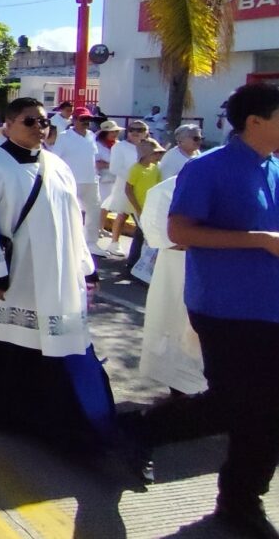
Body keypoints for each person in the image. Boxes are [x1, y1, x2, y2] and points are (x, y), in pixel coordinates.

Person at [126, 83, 279, 538]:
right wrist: (259, 241)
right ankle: (141, 429)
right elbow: (182, 231)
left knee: (269, 410)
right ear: (255, 121)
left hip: (271, 309)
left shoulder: (273, 167)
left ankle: (240, 500)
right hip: (226, 308)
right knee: (236, 402)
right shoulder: (209, 169)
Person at [0, 97, 112, 447]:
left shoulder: (57, 166)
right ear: (7, 126)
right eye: (30, 122)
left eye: (43, 122)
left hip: (56, 273)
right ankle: (6, 409)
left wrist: (85, 266)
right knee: (12, 342)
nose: (40, 128)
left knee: (52, 341)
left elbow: (73, 221)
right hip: (16, 275)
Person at [138, 175, 206, 396]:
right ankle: (181, 392)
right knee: (178, 328)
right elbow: (157, 229)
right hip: (180, 268)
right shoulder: (186, 181)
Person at [49, 106, 102, 256]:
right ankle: (68, 241)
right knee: (69, 212)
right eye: (83, 119)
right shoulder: (64, 136)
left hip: (91, 180)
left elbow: (94, 157)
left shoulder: (91, 135)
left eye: (88, 120)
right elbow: (56, 158)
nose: (86, 122)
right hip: (71, 181)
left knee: (94, 212)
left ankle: (91, 243)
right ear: (74, 120)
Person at [102, 120, 146, 256]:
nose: (135, 133)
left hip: (144, 186)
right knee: (123, 214)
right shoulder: (120, 147)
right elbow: (115, 167)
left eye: (140, 130)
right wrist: (133, 178)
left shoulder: (149, 146)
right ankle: (114, 243)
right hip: (126, 185)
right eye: (132, 129)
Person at [124, 138, 166, 273]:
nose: (158, 156)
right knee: (141, 234)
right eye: (156, 153)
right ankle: (132, 264)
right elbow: (128, 189)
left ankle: (138, 264)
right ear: (145, 154)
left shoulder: (155, 168)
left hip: (150, 208)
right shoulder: (136, 169)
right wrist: (137, 208)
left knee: (143, 235)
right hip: (138, 208)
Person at [94, 121, 119, 239]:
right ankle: (95, 229)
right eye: (111, 131)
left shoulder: (117, 145)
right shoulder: (97, 145)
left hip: (113, 179)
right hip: (102, 179)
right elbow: (98, 163)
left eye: (116, 131)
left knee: (106, 206)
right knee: (100, 205)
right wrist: (113, 164)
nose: (114, 134)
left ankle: (101, 228)